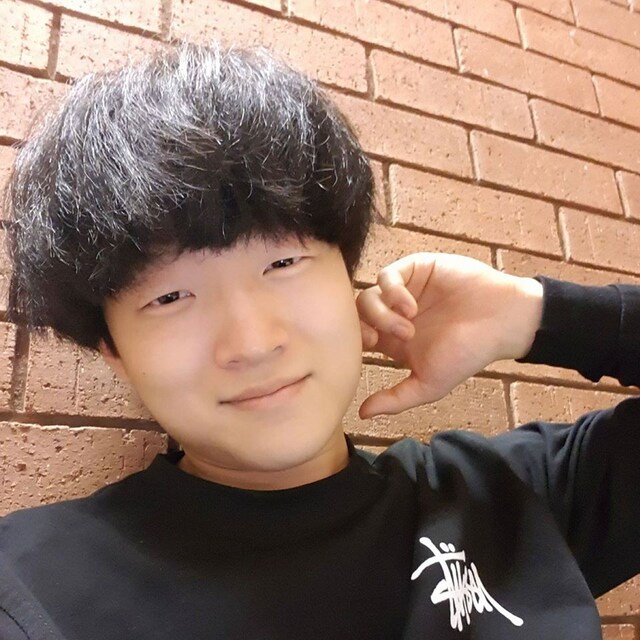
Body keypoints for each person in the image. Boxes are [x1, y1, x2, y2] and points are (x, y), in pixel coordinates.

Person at [0, 42, 637, 640]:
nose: (253, 342)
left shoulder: (512, 499)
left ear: (347, 276)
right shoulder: (31, 588)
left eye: (283, 263)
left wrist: (537, 314)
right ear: (113, 350)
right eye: (169, 298)